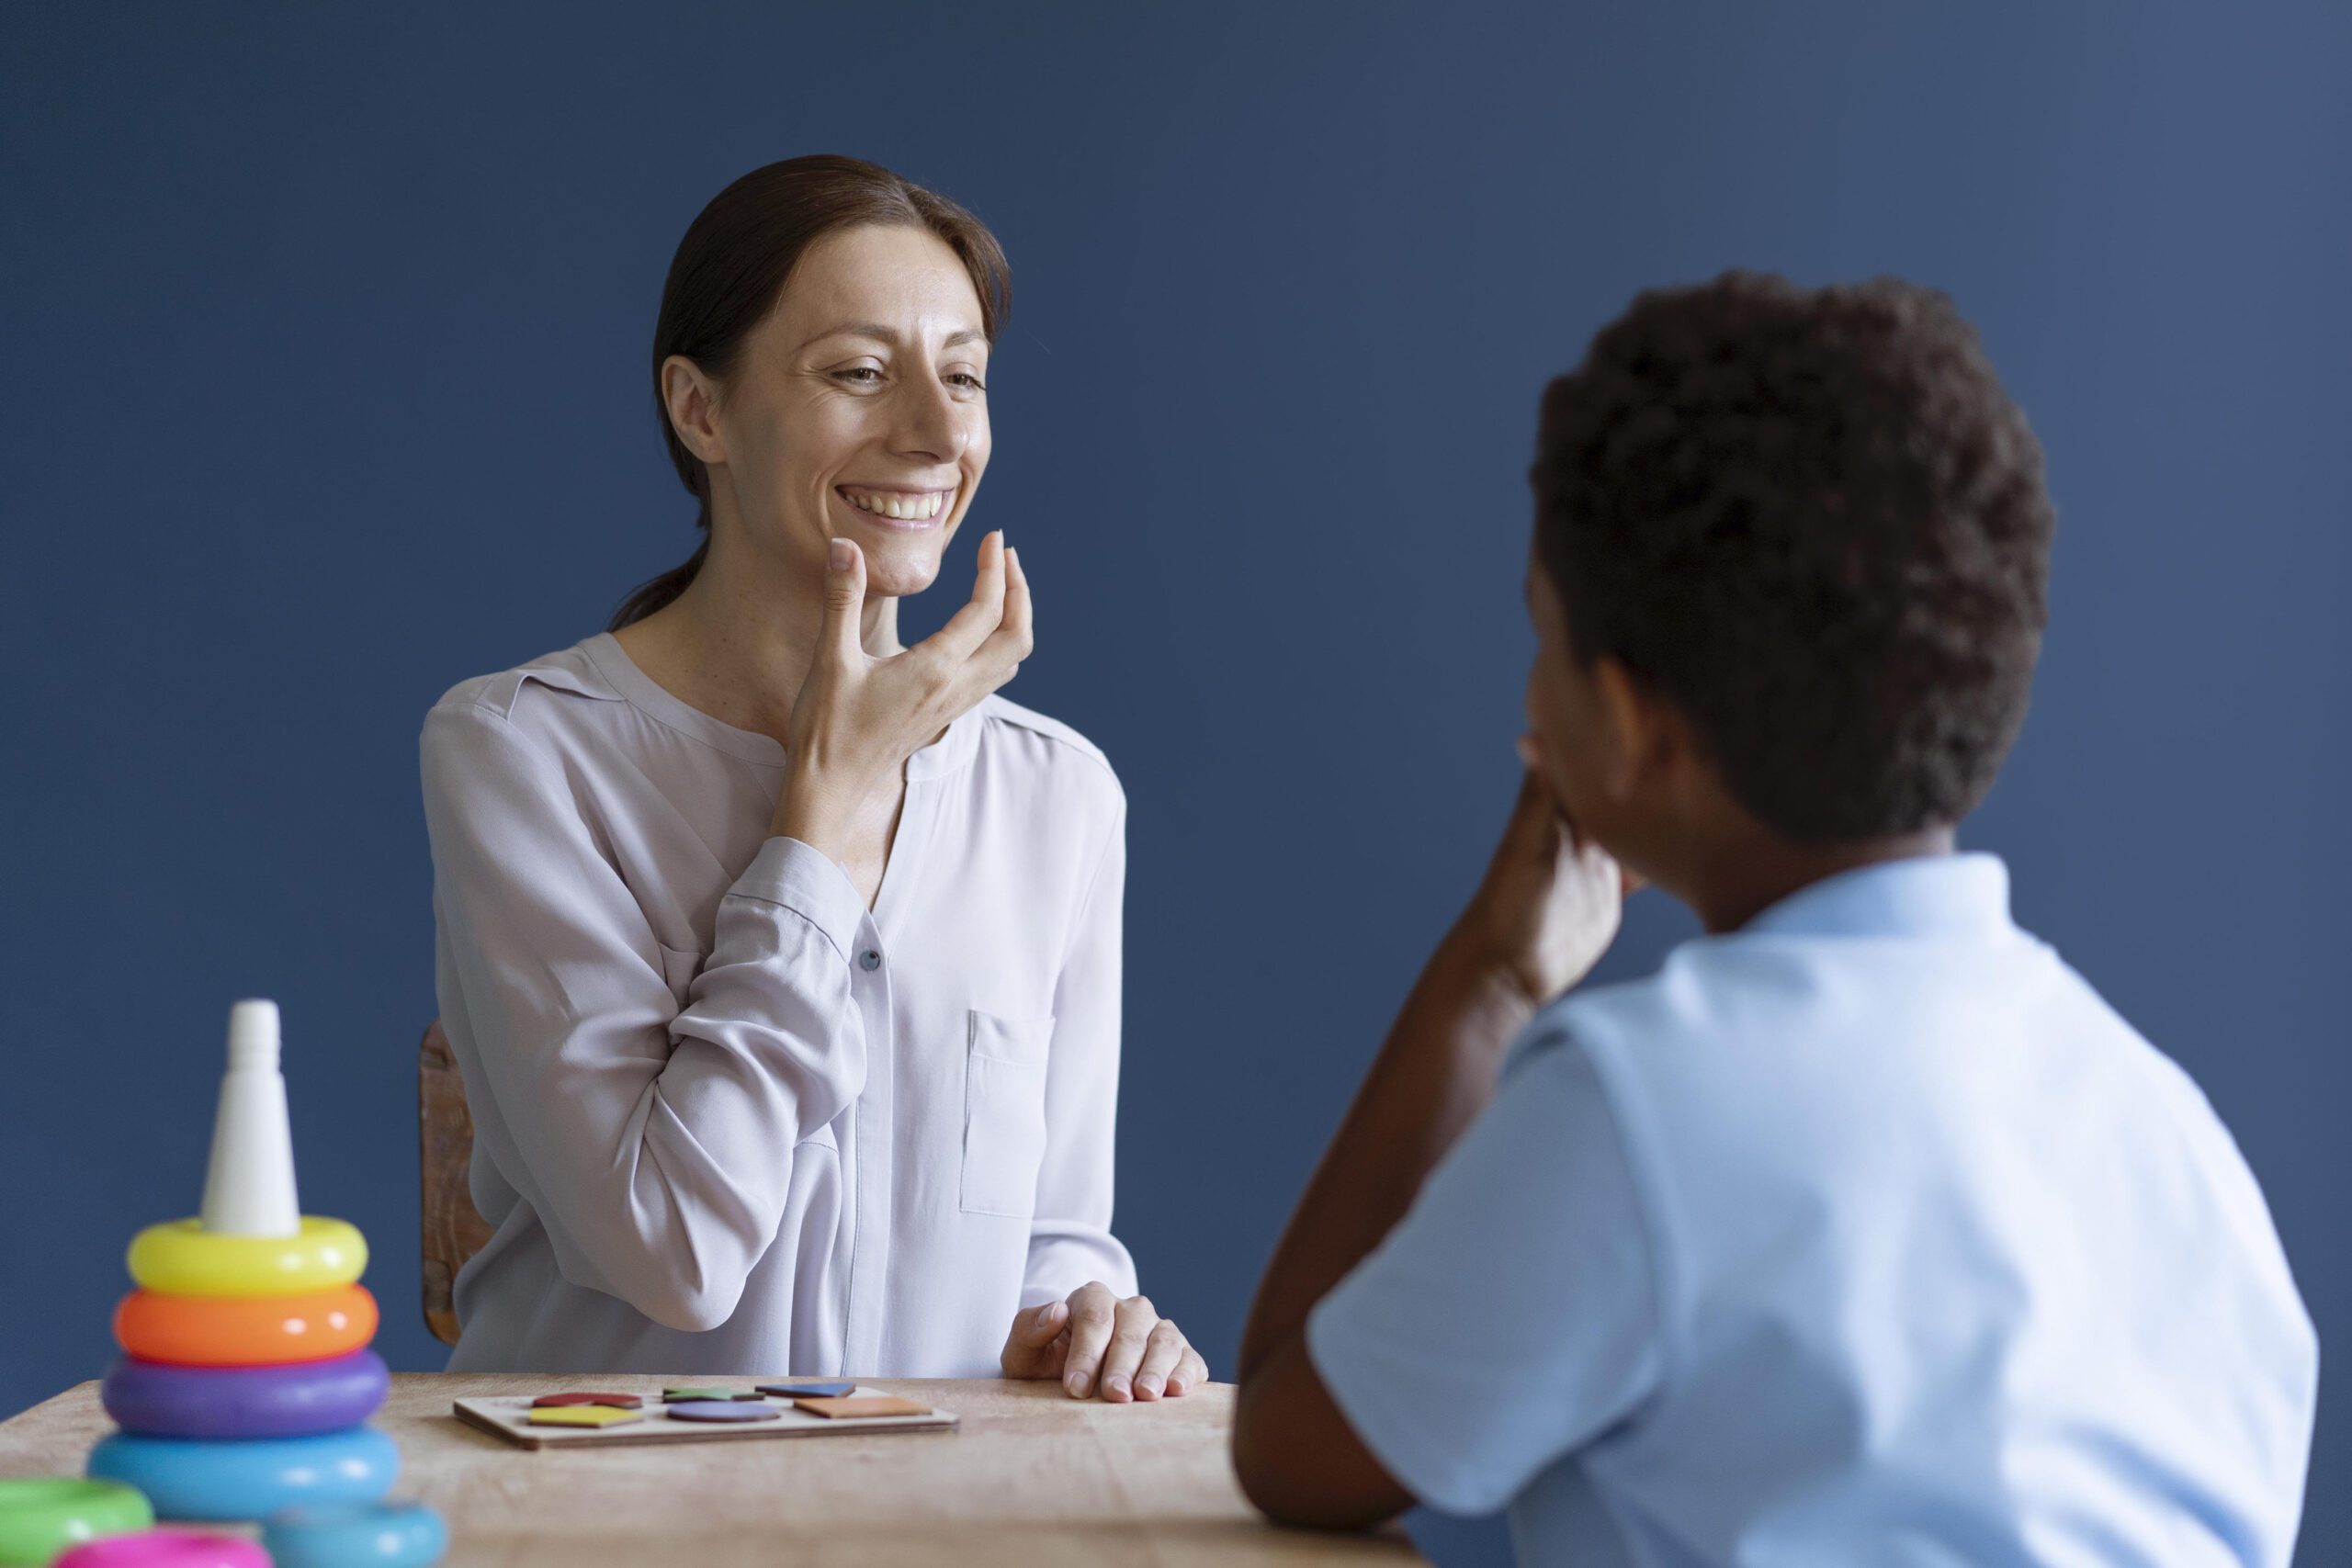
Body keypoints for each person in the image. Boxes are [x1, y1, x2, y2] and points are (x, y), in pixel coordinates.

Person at [1231, 274, 2317, 1564]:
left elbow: (1288, 1442)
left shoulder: (1638, 1108)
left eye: (1545, 637)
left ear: (1632, 727)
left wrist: (1491, 982)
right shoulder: (2170, 1136)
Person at [419, 155, 1204, 1401]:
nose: (939, 437)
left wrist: (1090, 1315)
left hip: (939, 1525)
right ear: (702, 411)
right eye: (858, 372)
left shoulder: (1061, 796)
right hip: (600, 1522)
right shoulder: (523, 751)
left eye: (964, 377)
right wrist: (818, 838)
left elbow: (1044, 1237)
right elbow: (669, 1255)